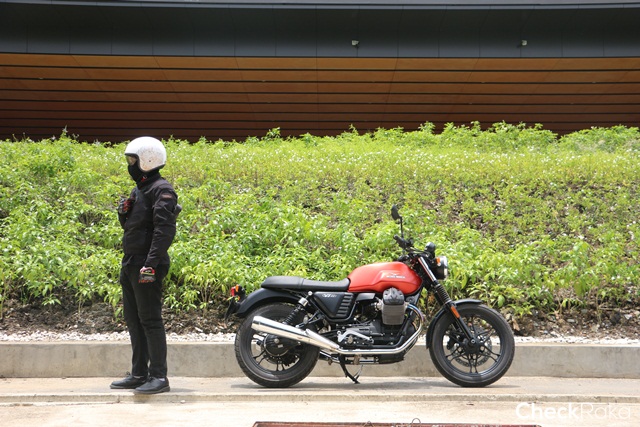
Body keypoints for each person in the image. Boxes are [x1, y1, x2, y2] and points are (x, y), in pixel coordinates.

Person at [110, 136, 180, 394]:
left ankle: (159, 377)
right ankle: (139, 373)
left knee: (150, 320)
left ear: (148, 160)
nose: (130, 165)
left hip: (147, 263)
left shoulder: (162, 189)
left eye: (133, 160)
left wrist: (150, 264)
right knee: (134, 320)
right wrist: (123, 213)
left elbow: (164, 230)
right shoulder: (139, 189)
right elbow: (133, 227)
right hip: (131, 261)